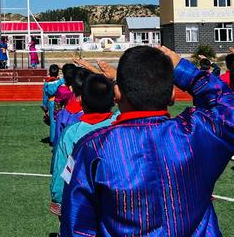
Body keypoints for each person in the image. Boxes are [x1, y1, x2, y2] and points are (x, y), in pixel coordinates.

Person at [60, 46, 234, 237]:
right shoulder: (199, 133)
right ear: (172, 97)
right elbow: (226, 106)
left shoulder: (91, 149)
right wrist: (186, 71)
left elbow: (77, 227)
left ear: (117, 94)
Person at [50, 73, 117, 216]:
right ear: (113, 100)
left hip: (82, 203)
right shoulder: (119, 123)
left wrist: (58, 199)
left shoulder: (71, 133)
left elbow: (62, 172)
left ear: (81, 101)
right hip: (116, 202)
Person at [53, 66, 90, 146]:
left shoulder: (62, 115)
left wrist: (55, 114)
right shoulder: (97, 113)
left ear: (71, 88)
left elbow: (58, 144)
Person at [42, 64, 63, 144]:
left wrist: (45, 107)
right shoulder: (60, 81)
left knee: (52, 121)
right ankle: (60, 137)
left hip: (51, 102)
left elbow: (45, 97)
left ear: (49, 72)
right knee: (60, 120)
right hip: (60, 102)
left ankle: (52, 139)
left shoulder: (46, 84)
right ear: (57, 73)